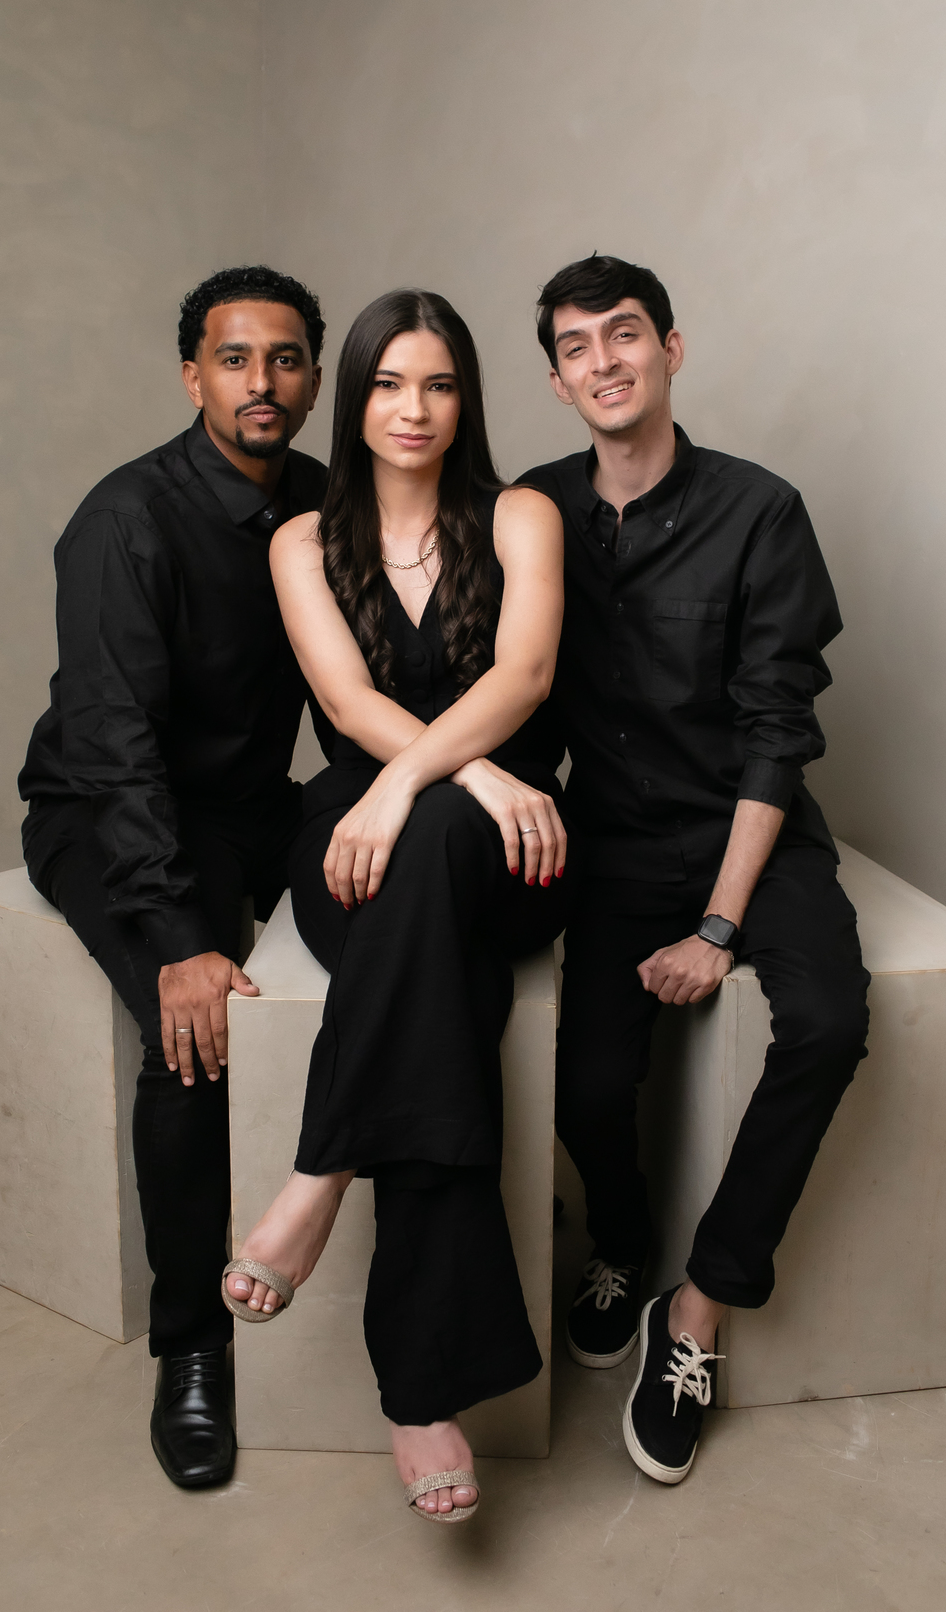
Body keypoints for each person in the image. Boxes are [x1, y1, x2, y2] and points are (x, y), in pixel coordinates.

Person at [220, 289, 574, 1523]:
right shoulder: (300, 542)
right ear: (354, 400)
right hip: (358, 847)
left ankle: (320, 1169)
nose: (412, 408)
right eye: (386, 383)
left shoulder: (521, 515)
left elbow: (525, 675)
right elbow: (346, 698)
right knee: (446, 985)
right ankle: (422, 1394)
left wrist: (425, 785)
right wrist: (453, 775)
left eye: (438, 383)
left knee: (433, 853)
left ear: (465, 398)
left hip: (509, 848)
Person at [520, 254, 870, 1486]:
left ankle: (699, 1307)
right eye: (576, 346)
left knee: (828, 1022)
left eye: (625, 334)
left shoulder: (761, 510)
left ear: (671, 349)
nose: (604, 361)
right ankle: (618, 1244)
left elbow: (779, 730)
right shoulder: (534, 510)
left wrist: (719, 927)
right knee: (584, 1090)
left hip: (751, 833)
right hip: (610, 840)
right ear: (557, 381)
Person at [19, 265, 331, 1490]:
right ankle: (193, 1344)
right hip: (109, 814)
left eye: (286, 358)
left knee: (421, 909)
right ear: (192, 375)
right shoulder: (126, 519)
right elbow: (112, 743)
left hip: (251, 805)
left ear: (313, 377)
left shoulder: (324, 501)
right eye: (235, 358)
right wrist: (176, 936)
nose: (263, 381)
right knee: (189, 1037)